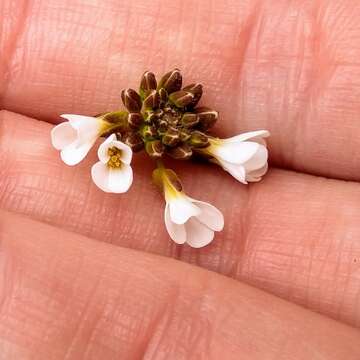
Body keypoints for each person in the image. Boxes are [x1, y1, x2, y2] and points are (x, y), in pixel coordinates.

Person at [0, 0, 360, 358]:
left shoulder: (157, 152)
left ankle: (217, 152)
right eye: (114, 153)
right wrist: (107, 136)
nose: (114, 154)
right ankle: (209, 155)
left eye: (114, 153)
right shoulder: (125, 140)